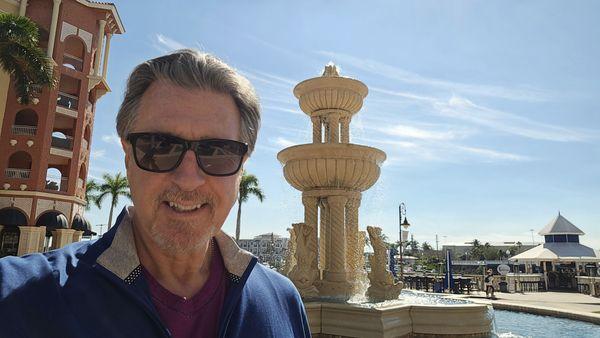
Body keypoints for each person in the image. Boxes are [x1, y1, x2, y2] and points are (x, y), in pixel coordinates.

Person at [0, 50, 311, 338]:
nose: (188, 180)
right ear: (126, 155)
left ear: (242, 166)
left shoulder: (281, 302)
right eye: (160, 147)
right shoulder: (17, 298)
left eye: (217, 152)